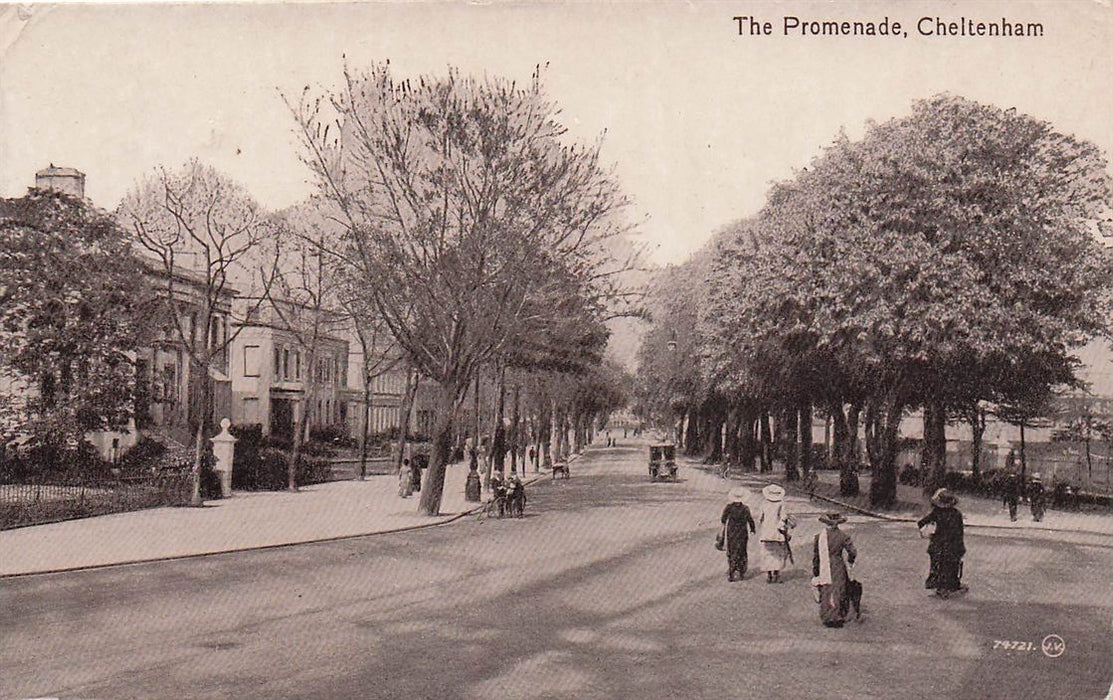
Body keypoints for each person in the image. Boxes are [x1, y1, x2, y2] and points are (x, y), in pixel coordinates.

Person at [917, 488, 967, 598]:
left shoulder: (936, 513)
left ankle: (938, 586)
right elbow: (959, 532)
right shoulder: (956, 514)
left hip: (937, 544)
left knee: (936, 566)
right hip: (952, 546)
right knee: (951, 566)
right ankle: (950, 586)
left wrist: (926, 532)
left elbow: (921, 522)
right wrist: (961, 547)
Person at [811, 512, 858, 627]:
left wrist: (816, 570)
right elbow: (852, 552)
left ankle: (828, 616)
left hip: (824, 565)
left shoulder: (819, 537)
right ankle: (838, 615)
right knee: (839, 589)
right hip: (838, 564)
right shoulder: (843, 536)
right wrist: (850, 561)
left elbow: (816, 556)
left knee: (827, 589)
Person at [757, 484, 794, 583]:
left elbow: (759, 518)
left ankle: (769, 574)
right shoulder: (781, 504)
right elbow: (783, 517)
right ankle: (776, 573)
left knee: (767, 553)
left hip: (766, 532)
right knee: (778, 553)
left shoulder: (763, 504)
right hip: (778, 532)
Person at [721, 488, 756, 581]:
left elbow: (723, 519)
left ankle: (732, 571)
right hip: (742, 532)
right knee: (742, 550)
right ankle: (741, 571)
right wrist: (753, 529)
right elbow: (750, 520)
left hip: (731, 532)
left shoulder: (729, 507)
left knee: (732, 550)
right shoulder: (745, 508)